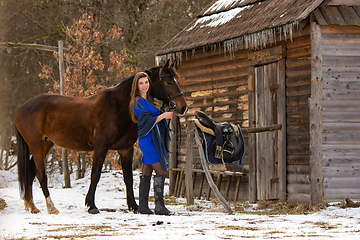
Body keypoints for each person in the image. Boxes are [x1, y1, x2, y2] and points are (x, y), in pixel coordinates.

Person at [129, 71, 174, 215]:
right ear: (136, 85)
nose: (144, 85)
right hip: (147, 140)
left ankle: (143, 206)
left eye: (146, 82)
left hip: (153, 139)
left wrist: (163, 110)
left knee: (147, 170)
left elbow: (153, 114)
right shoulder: (137, 101)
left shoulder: (149, 100)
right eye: (141, 83)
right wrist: (163, 116)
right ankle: (159, 206)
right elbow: (145, 121)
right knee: (161, 170)